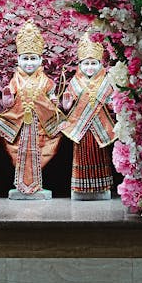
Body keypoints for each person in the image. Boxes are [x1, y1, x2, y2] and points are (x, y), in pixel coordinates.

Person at [0, 21, 62, 198]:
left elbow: (53, 101)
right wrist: (8, 101)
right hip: (21, 126)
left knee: (40, 152)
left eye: (33, 58)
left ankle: (37, 185)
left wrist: (54, 101)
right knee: (20, 153)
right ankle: (21, 186)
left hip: (40, 126)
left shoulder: (47, 81)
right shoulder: (15, 81)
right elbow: (9, 103)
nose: (29, 62)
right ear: (18, 60)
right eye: (25, 58)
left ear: (40, 60)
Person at [60, 31, 116, 200]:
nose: (90, 67)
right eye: (86, 63)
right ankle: (80, 189)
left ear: (100, 64)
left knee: (100, 157)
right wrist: (66, 105)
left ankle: (101, 188)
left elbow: (113, 103)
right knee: (82, 157)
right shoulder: (74, 82)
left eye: (93, 63)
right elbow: (67, 104)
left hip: (100, 129)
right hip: (81, 130)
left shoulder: (107, 82)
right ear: (80, 64)